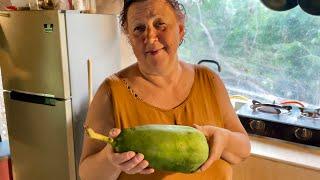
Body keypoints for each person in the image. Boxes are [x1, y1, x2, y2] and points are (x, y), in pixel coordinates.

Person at [79, 0, 251, 179]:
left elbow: (243, 149)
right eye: (139, 29)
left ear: (180, 29)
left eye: (159, 24)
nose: (151, 37)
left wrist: (223, 139)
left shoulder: (209, 80)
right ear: (130, 38)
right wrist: (110, 159)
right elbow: (87, 174)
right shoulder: (110, 92)